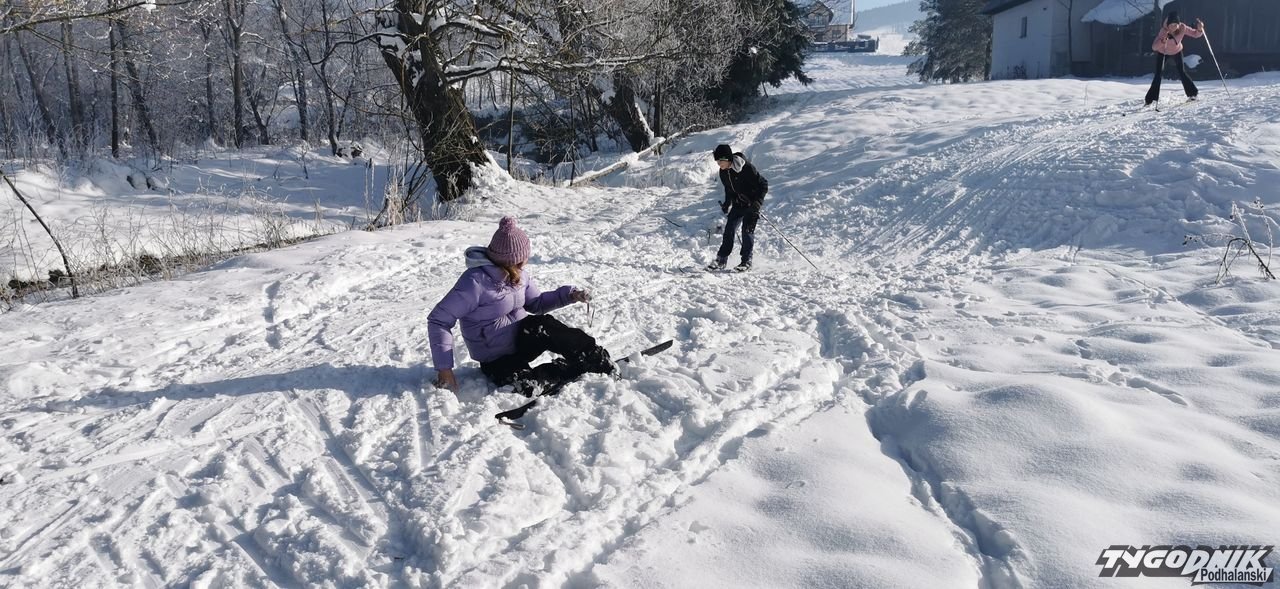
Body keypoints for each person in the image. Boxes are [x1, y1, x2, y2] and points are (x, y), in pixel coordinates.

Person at [428, 217, 614, 396]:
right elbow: (439, 320)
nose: (527, 259)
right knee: (525, 386)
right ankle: (559, 371)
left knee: (543, 324)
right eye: (525, 256)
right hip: (496, 358)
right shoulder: (475, 282)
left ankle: (593, 356)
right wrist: (445, 369)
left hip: (521, 340)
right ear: (515, 259)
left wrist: (570, 295)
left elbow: (537, 303)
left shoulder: (520, 275)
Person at [709, 144, 768, 272]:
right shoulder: (723, 172)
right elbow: (728, 189)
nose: (718, 164)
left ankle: (746, 261)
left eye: (720, 161)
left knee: (747, 231)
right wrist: (727, 204)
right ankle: (721, 259)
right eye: (717, 161)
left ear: (727, 159)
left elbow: (763, 185)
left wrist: (757, 203)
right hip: (738, 204)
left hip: (752, 205)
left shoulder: (746, 168)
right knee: (729, 230)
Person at [1146, 11, 1204, 107]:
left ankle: (1193, 94)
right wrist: (1162, 41)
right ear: (1168, 25)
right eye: (1171, 25)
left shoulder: (1182, 28)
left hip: (1177, 51)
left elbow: (1195, 34)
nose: (1173, 27)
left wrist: (1199, 29)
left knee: (1182, 72)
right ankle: (1150, 100)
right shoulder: (1163, 31)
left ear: (1178, 24)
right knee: (1158, 75)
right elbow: (1154, 47)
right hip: (1163, 52)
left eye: (1175, 25)